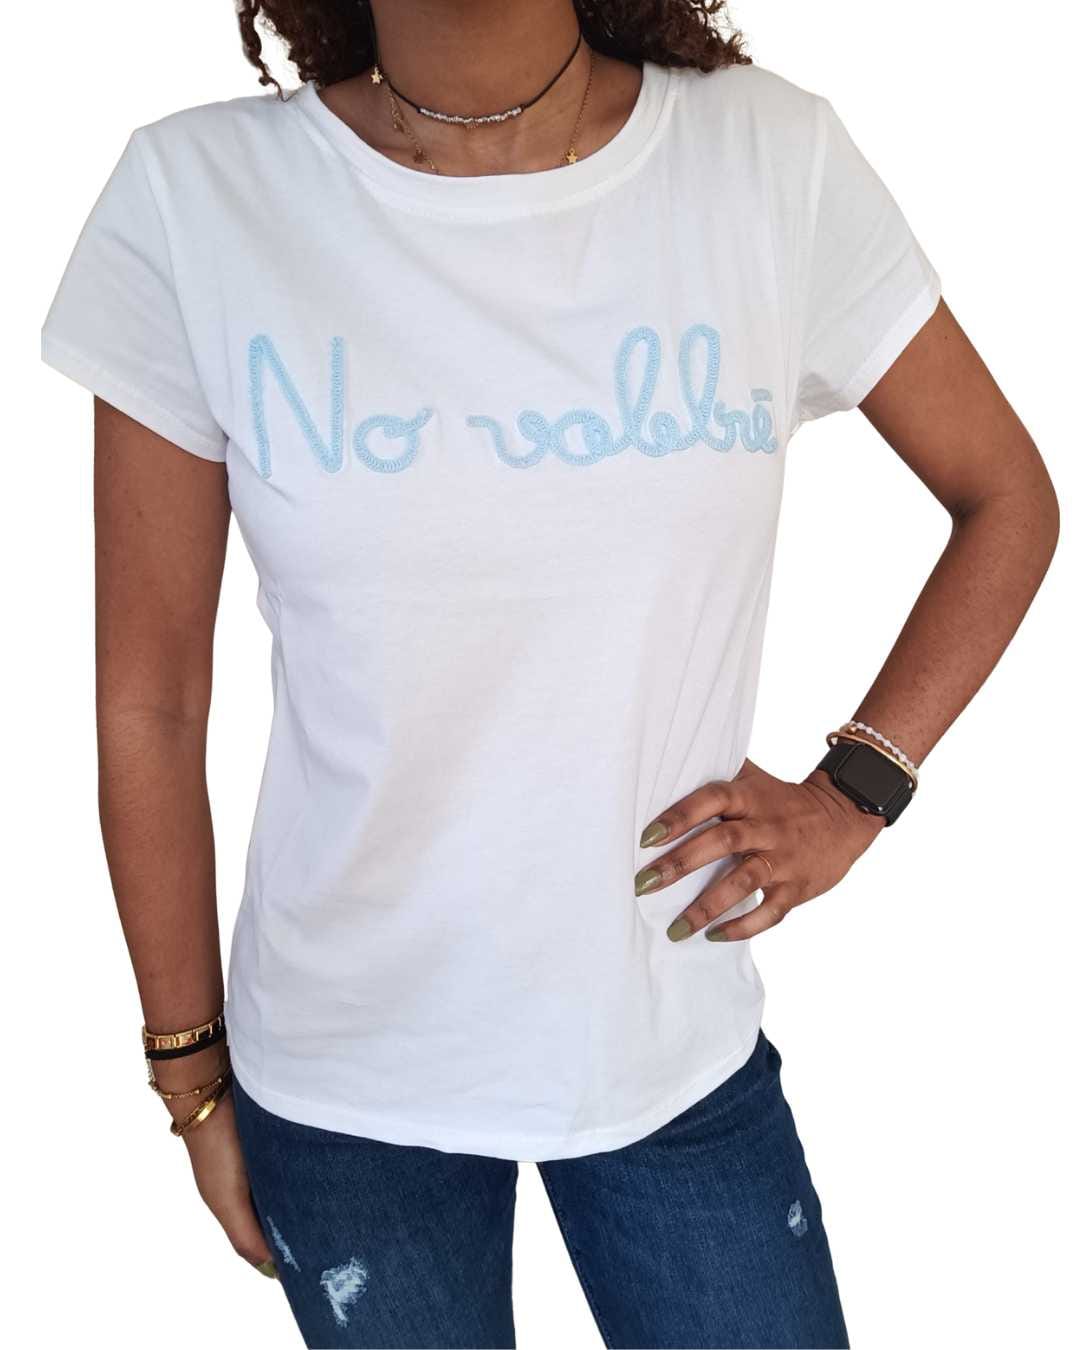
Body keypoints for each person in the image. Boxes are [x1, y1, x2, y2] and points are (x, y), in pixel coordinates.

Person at [40, 1, 1058, 1347]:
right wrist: (188, 1068)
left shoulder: (768, 162)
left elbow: (1006, 497)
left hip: (668, 1043)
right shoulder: (197, 199)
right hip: (345, 1079)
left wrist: (854, 791)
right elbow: (153, 704)